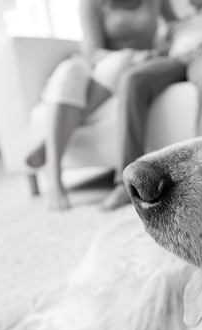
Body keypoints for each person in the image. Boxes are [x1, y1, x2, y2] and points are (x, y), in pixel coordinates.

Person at [24, 0, 176, 211]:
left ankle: (51, 141)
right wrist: (132, 55)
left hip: (134, 66)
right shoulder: (91, 3)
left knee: (121, 63)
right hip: (103, 63)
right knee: (69, 71)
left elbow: (175, 24)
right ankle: (54, 176)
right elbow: (92, 50)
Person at [100, 0, 202, 210]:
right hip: (175, 58)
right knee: (132, 79)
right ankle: (124, 182)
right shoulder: (177, 22)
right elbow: (162, 46)